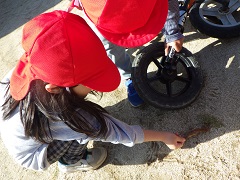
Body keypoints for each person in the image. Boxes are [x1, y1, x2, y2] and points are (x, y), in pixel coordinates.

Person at [0, 10, 185, 172]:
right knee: (83, 131)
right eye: (91, 80)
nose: (96, 86)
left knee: (83, 124)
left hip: (20, 128)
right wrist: (164, 136)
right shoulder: (70, 119)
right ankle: (72, 162)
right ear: (55, 88)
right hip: (34, 154)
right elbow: (118, 132)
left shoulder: (27, 68)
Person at [68, 0, 185, 107]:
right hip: (97, 11)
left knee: (156, 11)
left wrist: (172, 32)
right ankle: (128, 76)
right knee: (106, 41)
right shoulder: (96, 9)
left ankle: (145, 19)